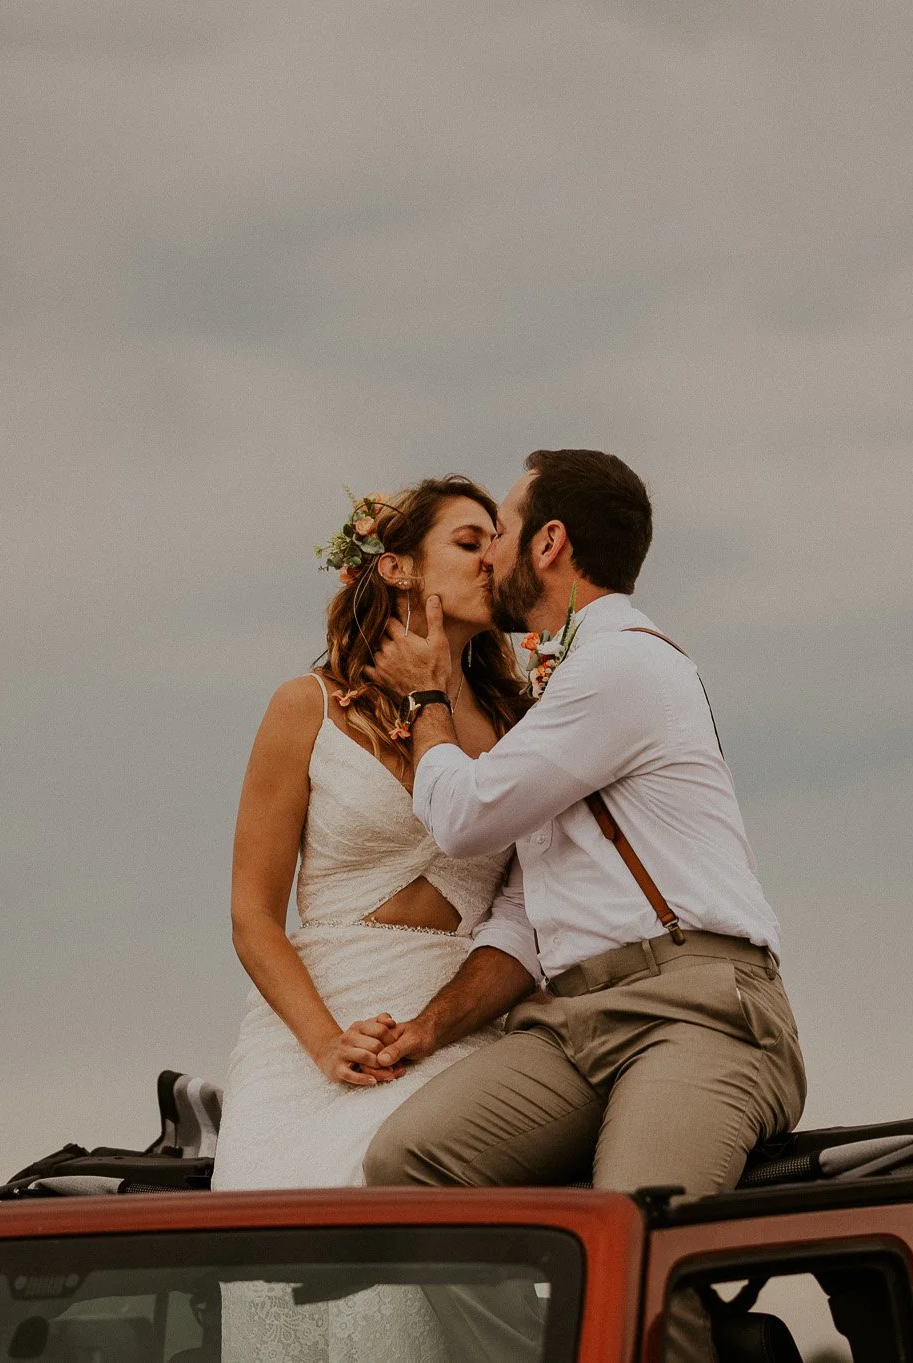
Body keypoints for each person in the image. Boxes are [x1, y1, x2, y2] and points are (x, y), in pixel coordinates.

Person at [358, 449, 807, 1363]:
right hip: (573, 1021)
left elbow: (466, 815)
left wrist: (430, 691)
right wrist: (429, 1026)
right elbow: (528, 907)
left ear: (552, 543)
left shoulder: (623, 667)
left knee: (637, 1258)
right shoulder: (563, 690)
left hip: (698, 1012)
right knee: (411, 1165)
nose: (491, 558)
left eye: (507, 533)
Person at [212, 475, 534, 1360]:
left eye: (497, 542)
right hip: (308, 1042)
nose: (492, 558)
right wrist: (323, 1041)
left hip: (449, 1030)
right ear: (395, 566)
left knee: (415, 1281)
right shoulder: (303, 706)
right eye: (470, 541)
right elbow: (252, 915)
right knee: (287, 1285)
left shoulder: (522, 724)